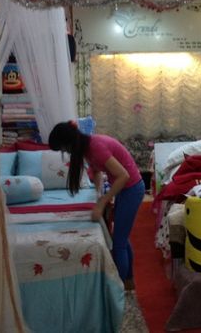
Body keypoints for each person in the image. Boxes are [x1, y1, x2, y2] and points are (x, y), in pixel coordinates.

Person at [49, 121, 145, 290]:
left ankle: (119, 289)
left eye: (64, 149)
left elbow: (124, 176)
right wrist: (98, 194)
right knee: (122, 237)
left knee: (118, 244)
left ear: (69, 143)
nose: (66, 153)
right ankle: (129, 281)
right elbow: (97, 171)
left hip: (131, 189)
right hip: (125, 189)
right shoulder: (86, 147)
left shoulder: (96, 147)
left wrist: (103, 201)